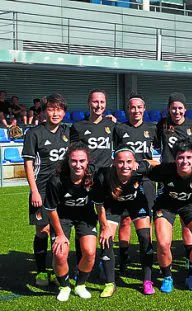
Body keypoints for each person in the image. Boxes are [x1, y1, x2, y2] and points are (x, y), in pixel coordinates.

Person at [145, 139, 192, 292]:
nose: (185, 161)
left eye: (188, 157)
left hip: (189, 205)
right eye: (180, 158)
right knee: (163, 243)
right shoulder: (164, 170)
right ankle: (167, 276)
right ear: (175, 159)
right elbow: (144, 168)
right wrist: (137, 162)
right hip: (165, 206)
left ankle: (191, 274)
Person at [91, 148, 157, 296]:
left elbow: (156, 164)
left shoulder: (140, 168)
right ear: (114, 162)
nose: (125, 165)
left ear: (135, 163)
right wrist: (104, 227)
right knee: (106, 239)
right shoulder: (104, 175)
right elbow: (99, 204)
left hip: (136, 203)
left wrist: (144, 163)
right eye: (120, 162)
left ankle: (147, 281)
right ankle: (110, 283)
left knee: (146, 237)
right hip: (113, 206)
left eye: (129, 162)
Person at [22, 93, 70, 287]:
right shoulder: (34, 134)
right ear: (44, 111)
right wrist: (33, 190)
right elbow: (28, 163)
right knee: (43, 231)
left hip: (62, 191)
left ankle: (59, 270)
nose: (55, 113)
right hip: (41, 190)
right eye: (51, 109)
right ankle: (41, 271)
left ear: (64, 112)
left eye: (59, 109)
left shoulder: (68, 131)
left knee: (60, 231)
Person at [69, 89, 116, 282]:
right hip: (85, 182)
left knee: (107, 224)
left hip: (106, 181)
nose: (99, 105)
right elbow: (72, 154)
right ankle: (80, 267)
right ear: (89, 103)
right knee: (84, 223)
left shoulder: (112, 125)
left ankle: (106, 266)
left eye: (102, 102)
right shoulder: (78, 126)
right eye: (95, 102)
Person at [44, 143, 100, 301]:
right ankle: (64, 286)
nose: (78, 165)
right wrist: (60, 234)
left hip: (85, 215)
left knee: (89, 252)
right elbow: (50, 209)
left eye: (82, 161)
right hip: (62, 218)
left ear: (88, 161)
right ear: (68, 161)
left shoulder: (94, 175)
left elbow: (101, 200)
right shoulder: (56, 180)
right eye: (74, 161)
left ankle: (80, 285)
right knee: (60, 254)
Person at [112, 94, 157, 273]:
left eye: (139, 107)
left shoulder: (153, 129)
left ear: (144, 109)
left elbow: (158, 156)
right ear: (127, 110)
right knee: (125, 220)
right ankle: (124, 257)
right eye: (132, 107)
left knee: (147, 219)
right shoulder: (120, 129)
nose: (136, 110)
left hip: (146, 181)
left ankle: (146, 254)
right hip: (124, 180)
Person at [154, 92, 192, 267]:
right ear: (169, 109)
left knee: (186, 222)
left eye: (180, 108)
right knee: (167, 219)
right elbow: (157, 145)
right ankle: (166, 260)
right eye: (173, 108)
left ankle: (188, 257)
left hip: (186, 177)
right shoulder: (162, 124)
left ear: (185, 109)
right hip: (167, 177)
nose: (177, 111)